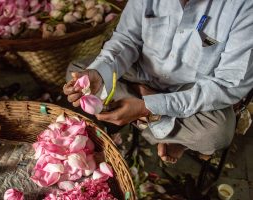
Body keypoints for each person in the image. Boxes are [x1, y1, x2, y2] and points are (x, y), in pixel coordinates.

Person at [63, 0, 253, 163]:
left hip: (191, 89)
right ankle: (165, 128)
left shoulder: (244, 7)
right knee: (79, 72)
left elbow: (228, 84)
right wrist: (99, 73)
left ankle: (144, 114)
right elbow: (127, 39)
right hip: (140, 71)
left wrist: (149, 106)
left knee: (217, 134)